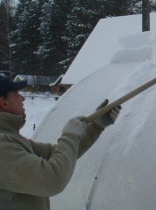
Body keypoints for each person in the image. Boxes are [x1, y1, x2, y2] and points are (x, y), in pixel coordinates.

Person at [0, 76, 121, 209]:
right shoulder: (3, 146)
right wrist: (70, 134)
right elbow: (52, 180)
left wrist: (96, 125)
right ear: (3, 102)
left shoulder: (11, 139)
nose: (23, 98)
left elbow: (57, 154)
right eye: (17, 93)